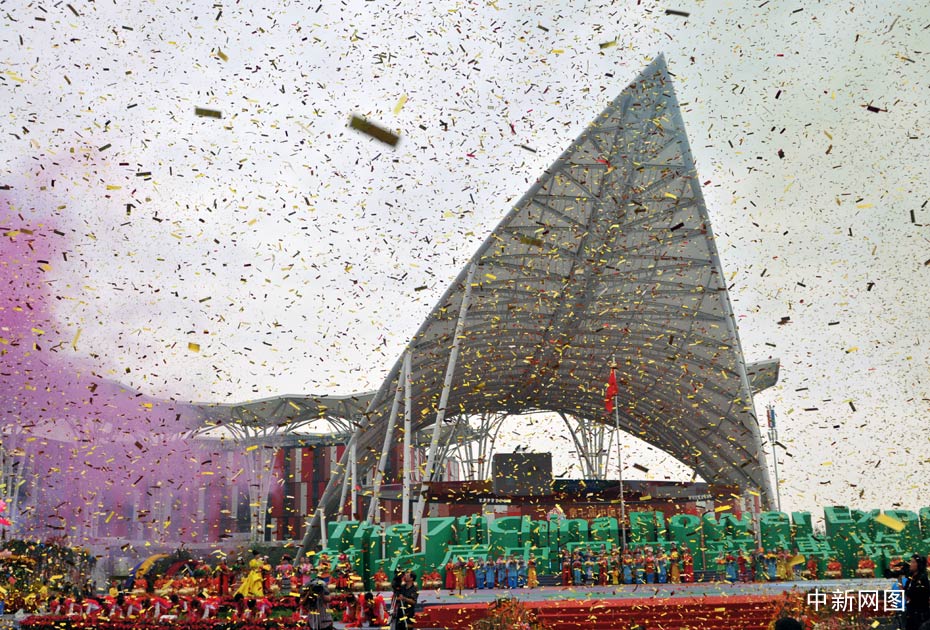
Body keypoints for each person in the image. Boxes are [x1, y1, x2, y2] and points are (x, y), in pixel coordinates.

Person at [903, 554, 930, 630]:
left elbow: (916, 595)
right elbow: (905, 594)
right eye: (910, 562)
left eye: (913, 562)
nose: (910, 564)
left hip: (920, 614)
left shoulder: (922, 578)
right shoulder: (911, 577)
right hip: (911, 613)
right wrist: (899, 580)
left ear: (919, 564)